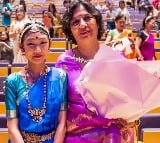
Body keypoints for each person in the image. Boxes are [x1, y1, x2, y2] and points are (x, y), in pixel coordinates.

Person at [56, 0, 135, 142]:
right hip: (76, 139)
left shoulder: (116, 58)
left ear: (97, 22)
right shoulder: (63, 63)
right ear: (70, 31)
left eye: (87, 18)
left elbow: (131, 103)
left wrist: (131, 120)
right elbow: (56, 107)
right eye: (75, 22)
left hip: (115, 137)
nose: (82, 24)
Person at [5, 21, 67, 143]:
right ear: (22, 48)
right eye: (31, 44)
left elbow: (62, 123)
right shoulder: (13, 81)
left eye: (43, 43)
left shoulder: (60, 77)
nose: (37, 50)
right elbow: (12, 127)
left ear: (50, 45)